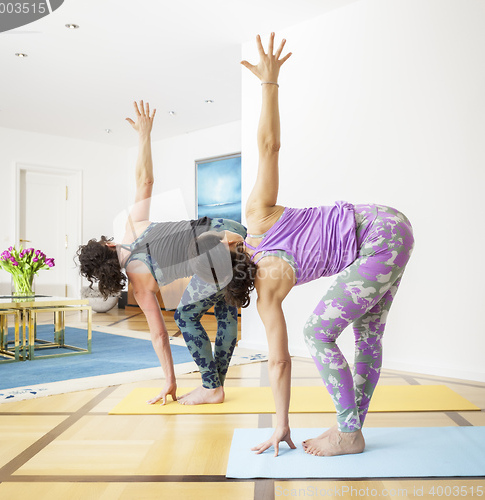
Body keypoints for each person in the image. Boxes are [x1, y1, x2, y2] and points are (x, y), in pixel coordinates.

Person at [195, 33, 414, 456]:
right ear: (230, 241)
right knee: (365, 334)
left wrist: (281, 426)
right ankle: (351, 432)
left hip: (378, 238)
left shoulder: (266, 294)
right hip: (386, 225)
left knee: (319, 332)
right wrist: (269, 83)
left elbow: (278, 363)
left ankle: (349, 433)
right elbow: (269, 146)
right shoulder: (257, 217)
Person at [76, 101, 250, 406]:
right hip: (228, 229)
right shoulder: (132, 229)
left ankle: (212, 388)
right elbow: (145, 180)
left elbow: (159, 336)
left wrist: (169, 381)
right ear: (108, 245)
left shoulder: (139, 286)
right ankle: (214, 387)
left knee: (184, 315)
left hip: (216, 250)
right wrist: (144, 135)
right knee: (225, 307)